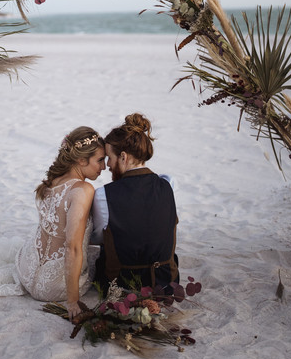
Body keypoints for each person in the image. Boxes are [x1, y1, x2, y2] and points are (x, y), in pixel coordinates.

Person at [14, 126, 106, 319]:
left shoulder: (52, 182)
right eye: (100, 160)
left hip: (27, 272)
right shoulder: (83, 189)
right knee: (98, 255)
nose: (104, 167)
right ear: (81, 160)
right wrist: (72, 302)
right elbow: (72, 247)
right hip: (54, 287)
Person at [91, 113, 178, 292]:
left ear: (123, 157)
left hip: (121, 284)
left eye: (109, 157)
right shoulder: (168, 184)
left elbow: (99, 237)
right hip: (165, 281)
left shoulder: (104, 194)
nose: (107, 165)